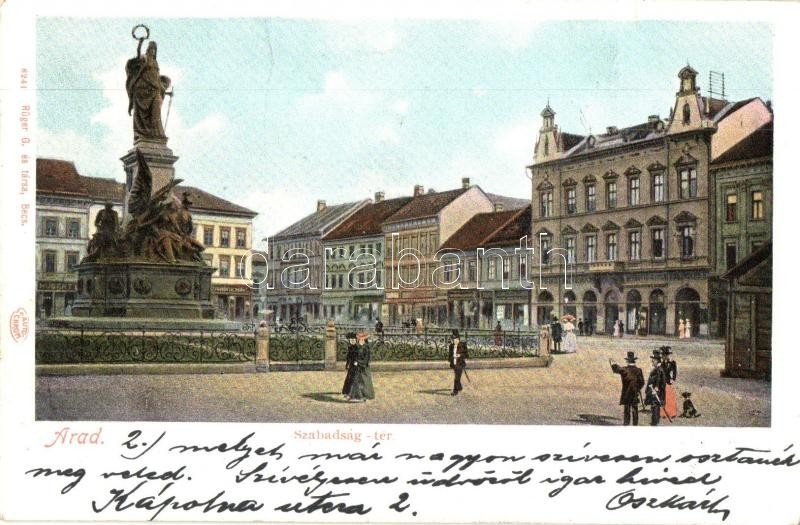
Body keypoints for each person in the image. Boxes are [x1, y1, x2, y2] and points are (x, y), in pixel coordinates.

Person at [610, 351, 645, 426]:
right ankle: (635, 425)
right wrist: (638, 388)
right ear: (634, 361)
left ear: (627, 361)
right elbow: (642, 382)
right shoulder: (639, 370)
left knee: (627, 410)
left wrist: (612, 362)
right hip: (635, 393)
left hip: (626, 394)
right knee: (635, 410)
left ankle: (626, 424)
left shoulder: (624, 370)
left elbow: (615, 369)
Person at [346, 333, 375, 402]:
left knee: (364, 382)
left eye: (362, 340)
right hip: (357, 367)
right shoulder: (357, 347)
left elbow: (366, 359)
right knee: (355, 381)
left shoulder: (366, 348)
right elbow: (354, 356)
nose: (361, 341)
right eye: (360, 340)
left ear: (365, 340)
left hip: (363, 368)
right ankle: (355, 396)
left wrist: (359, 362)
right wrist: (354, 362)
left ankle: (365, 396)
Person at [644, 349, 667, 426]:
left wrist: (657, 388)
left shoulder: (659, 370)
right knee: (654, 408)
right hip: (653, 392)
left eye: (653, 360)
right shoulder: (657, 369)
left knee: (655, 407)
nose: (652, 362)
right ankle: (654, 422)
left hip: (657, 393)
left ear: (657, 361)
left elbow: (660, 381)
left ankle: (655, 423)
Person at [660, 346, 678, 420]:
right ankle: (663, 413)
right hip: (662, 382)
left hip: (669, 381)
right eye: (664, 355)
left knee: (670, 397)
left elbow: (675, 372)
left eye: (667, 355)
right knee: (663, 397)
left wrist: (673, 379)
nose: (665, 356)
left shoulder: (673, 362)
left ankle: (672, 412)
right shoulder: (661, 363)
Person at [448, 329, 468, 396]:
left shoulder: (462, 345)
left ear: (459, 339)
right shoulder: (451, 346)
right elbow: (449, 355)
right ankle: (459, 387)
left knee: (456, 378)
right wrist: (452, 359)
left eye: (456, 339)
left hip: (460, 364)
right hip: (454, 364)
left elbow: (466, 355)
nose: (455, 341)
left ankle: (455, 391)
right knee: (457, 377)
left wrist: (460, 355)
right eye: (453, 339)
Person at [341, 332, 358, 399]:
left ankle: (352, 393)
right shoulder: (350, 347)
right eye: (351, 340)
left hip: (356, 365)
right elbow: (348, 357)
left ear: (356, 340)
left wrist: (356, 361)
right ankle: (347, 392)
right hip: (351, 365)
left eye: (353, 340)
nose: (352, 341)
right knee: (349, 378)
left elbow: (358, 356)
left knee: (354, 379)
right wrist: (347, 364)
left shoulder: (357, 347)